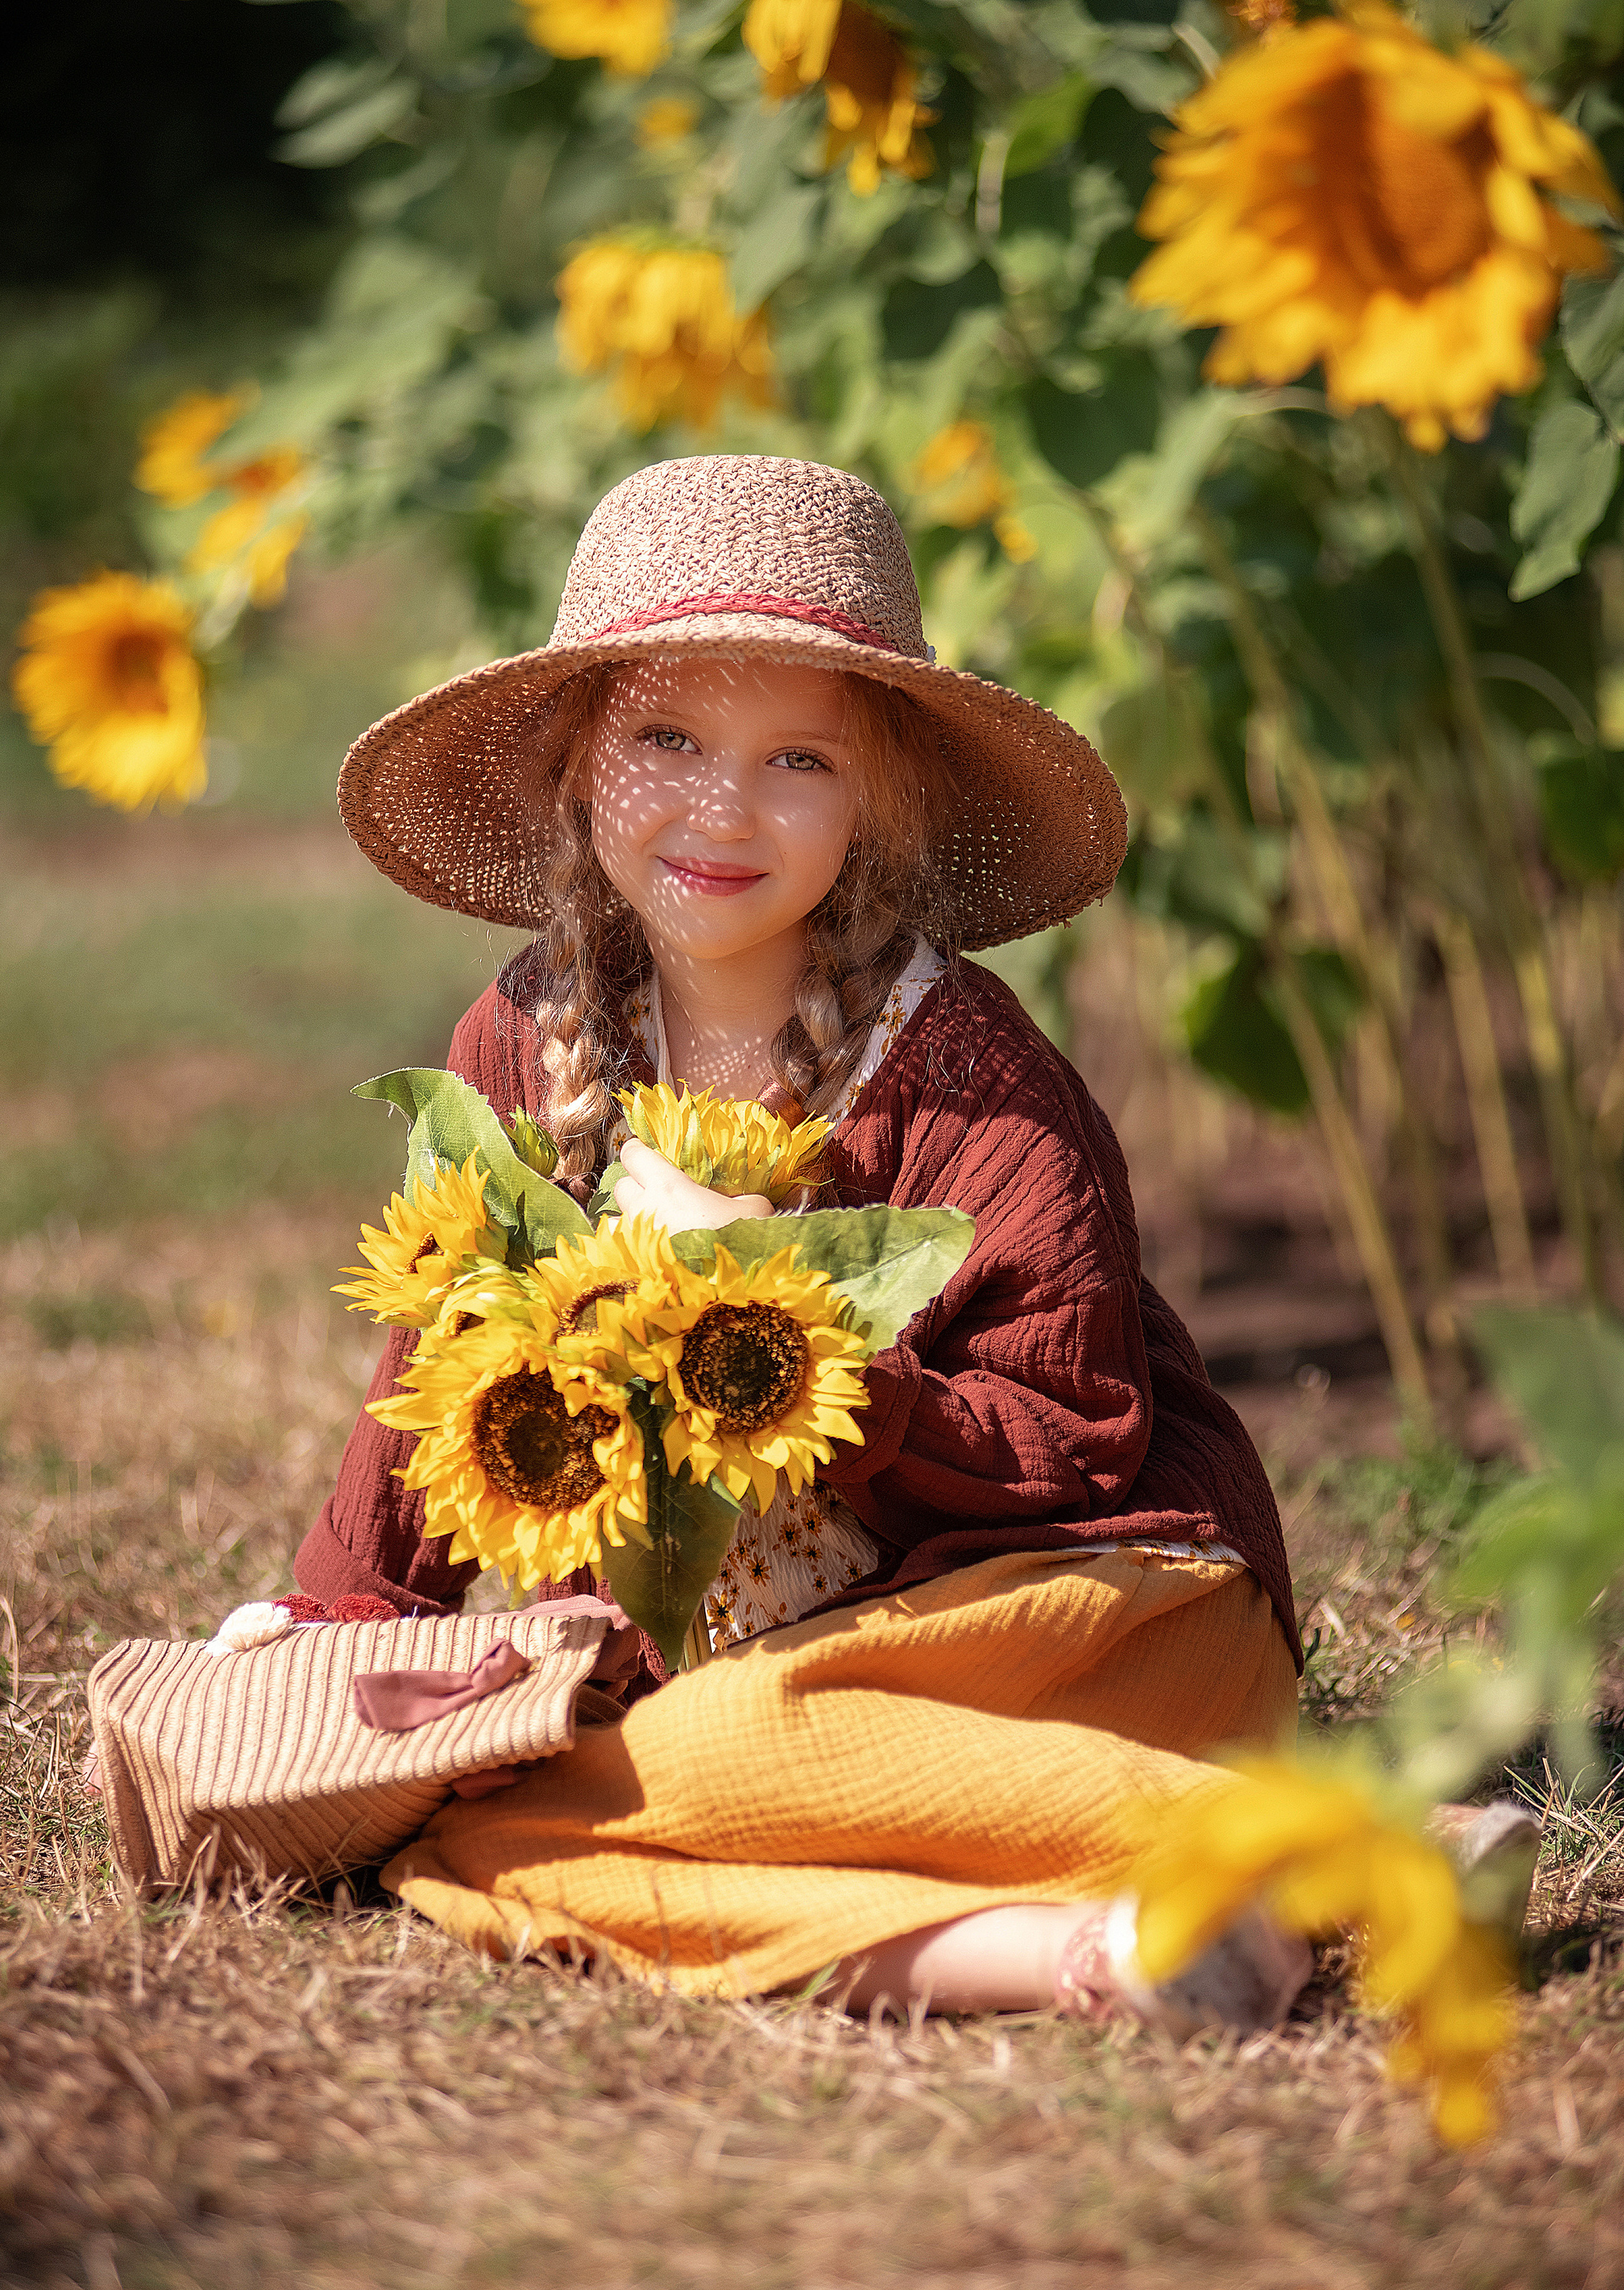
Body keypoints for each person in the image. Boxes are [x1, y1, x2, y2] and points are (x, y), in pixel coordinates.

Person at [296, 455, 1311, 2028]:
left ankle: (1304, 1841)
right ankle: (1097, 1953)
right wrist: (337, 1626)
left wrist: (775, 1331)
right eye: (663, 737)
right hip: (786, 1659)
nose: (722, 809)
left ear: (878, 797)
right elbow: (437, 1355)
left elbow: (1079, 1436)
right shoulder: (525, 1040)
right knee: (482, 1826)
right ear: (574, 762)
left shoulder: (967, 1069)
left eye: (796, 761)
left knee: (690, 1761)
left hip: (1069, 1610)